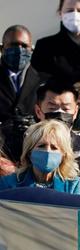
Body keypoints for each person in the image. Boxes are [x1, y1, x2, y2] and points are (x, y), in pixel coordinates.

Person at [0, 25, 48, 162]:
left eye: (24, 45)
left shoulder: (44, 81)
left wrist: (36, 125)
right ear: (3, 48)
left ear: (31, 49)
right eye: (14, 44)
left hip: (33, 156)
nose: (19, 50)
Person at [30, 0, 80, 83]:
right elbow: (36, 83)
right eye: (70, 10)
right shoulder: (45, 46)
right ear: (60, 13)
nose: (75, 14)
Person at [0, 120, 80, 193]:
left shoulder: (75, 185)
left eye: (54, 147)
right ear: (29, 152)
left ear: (63, 155)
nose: (48, 151)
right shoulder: (8, 182)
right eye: (41, 146)